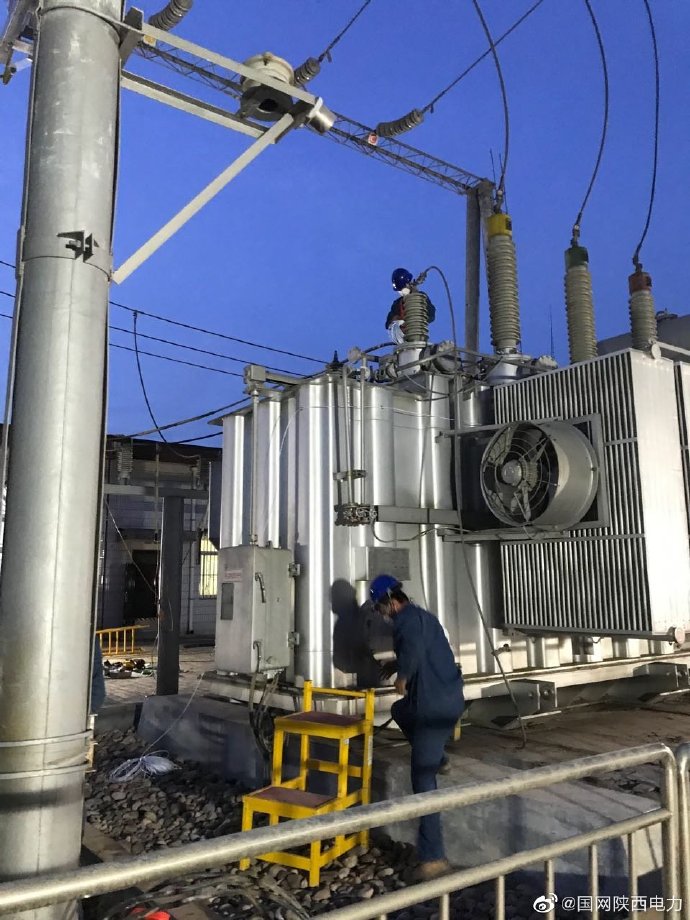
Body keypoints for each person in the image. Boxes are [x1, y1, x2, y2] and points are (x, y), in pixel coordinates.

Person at [370, 574, 464, 881]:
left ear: (389, 601)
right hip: (451, 702)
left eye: (379, 607)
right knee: (399, 710)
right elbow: (423, 649)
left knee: (422, 779)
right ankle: (440, 759)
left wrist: (403, 676)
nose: (380, 614)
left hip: (430, 709)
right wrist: (396, 665)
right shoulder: (422, 616)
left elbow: (412, 648)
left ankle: (433, 857)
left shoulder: (405, 622)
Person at [385, 267, 436, 343]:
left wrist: (416, 320)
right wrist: (396, 321)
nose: (401, 292)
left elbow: (431, 315)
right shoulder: (397, 304)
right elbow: (388, 324)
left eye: (402, 289)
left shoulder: (421, 297)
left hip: (419, 337)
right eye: (399, 290)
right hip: (403, 340)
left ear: (408, 284)